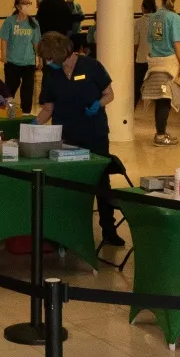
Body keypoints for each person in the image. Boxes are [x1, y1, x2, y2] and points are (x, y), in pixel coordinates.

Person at [35, 31, 125, 246]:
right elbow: (48, 108)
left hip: (94, 132)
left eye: (49, 58)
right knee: (69, 183)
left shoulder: (91, 66)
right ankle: (68, 232)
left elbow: (109, 93)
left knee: (101, 180)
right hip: (66, 136)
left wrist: (99, 105)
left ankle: (108, 228)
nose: (47, 63)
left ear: (60, 54)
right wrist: (34, 126)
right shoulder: (51, 74)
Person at [139, 0, 180, 146]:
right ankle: (160, 135)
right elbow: (177, 44)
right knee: (165, 100)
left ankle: (161, 132)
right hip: (168, 64)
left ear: (161, 0)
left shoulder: (154, 17)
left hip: (154, 63)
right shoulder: (174, 17)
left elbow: (152, 40)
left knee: (161, 99)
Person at [0, 0, 40, 111]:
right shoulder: (10, 21)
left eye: (29, 3)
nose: (27, 5)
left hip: (28, 62)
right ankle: (8, 111)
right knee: (10, 89)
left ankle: (26, 113)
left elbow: (36, 42)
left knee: (27, 91)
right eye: (24, 3)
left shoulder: (34, 23)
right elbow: (4, 38)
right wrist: (3, 55)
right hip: (12, 61)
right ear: (17, 6)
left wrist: (39, 59)